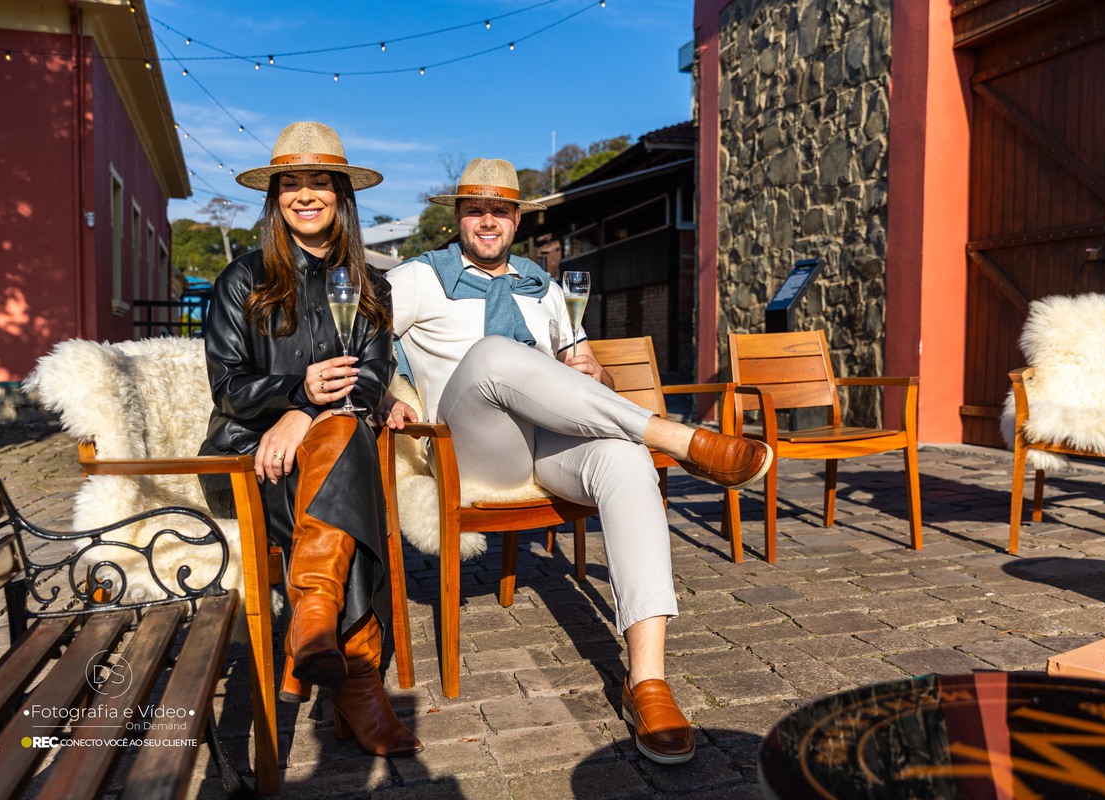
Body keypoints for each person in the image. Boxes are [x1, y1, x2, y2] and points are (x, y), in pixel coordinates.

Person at [381, 158, 771, 765]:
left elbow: (587, 372)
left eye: (500, 210)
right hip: (472, 451)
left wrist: (596, 370)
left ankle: (647, 681)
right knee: (492, 354)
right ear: (457, 216)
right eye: (476, 210)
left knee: (626, 461)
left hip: (549, 447)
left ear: (518, 219)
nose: (488, 221)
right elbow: (355, 340)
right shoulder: (417, 278)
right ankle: (680, 439)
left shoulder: (543, 284)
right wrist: (386, 396)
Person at [198, 121, 421, 757]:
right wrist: (298, 397)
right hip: (251, 460)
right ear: (275, 199)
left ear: (340, 196)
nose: (305, 194)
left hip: (330, 451)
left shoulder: (370, 284)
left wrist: (310, 414)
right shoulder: (241, 280)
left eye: (319, 181)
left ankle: (315, 618)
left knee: (343, 437)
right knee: (349, 474)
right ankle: (359, 682)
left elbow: (372, 378)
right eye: (290, 183)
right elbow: (228, 388)